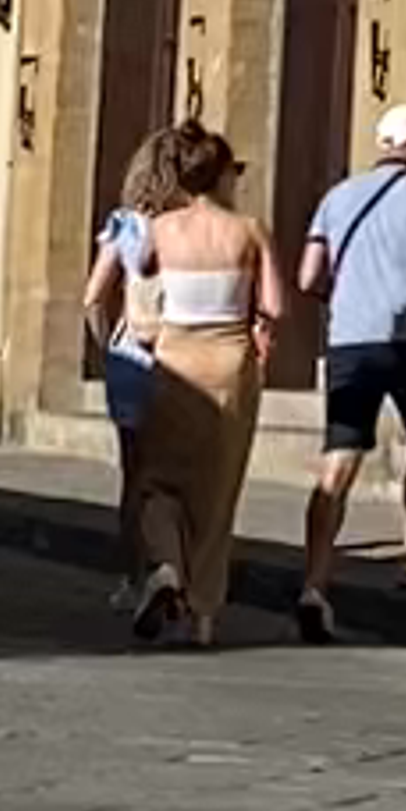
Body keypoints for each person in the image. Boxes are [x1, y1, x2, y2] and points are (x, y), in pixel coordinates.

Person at [293, 103, 406, 639]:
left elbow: (307, 277)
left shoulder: (336, 198)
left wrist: (347, 301)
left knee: (339, 461)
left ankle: (315, 583)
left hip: (350, 338)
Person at [122, 120, 285, 651]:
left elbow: (142, 268)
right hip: (231, 363)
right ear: (221, 177)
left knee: (156, 483)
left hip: (175, 359)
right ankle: (204, 615)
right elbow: (276, 306)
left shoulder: (162, 229)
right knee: (217, 495)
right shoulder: (250, 229)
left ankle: (167, 567)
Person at [82, 169, 165, 588]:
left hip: (131, 353)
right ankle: (174, 570)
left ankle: (133, 577)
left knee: (135, 476)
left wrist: (108, 351)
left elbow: (93, 299)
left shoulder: (126, 225)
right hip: (183, 355)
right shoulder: (197, 224)